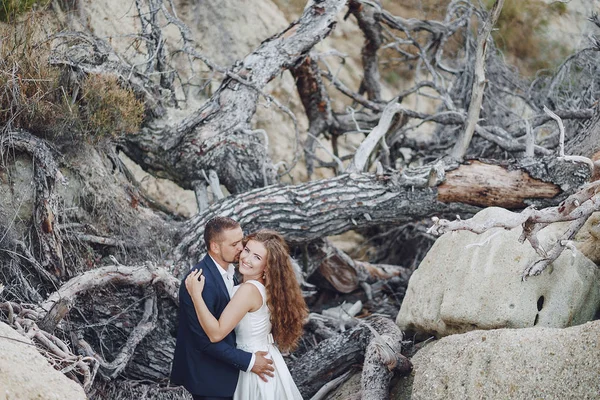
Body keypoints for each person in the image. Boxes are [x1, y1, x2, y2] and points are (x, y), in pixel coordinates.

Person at [185, 229, 308, 400]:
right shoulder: (266, 287)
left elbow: (216, 333)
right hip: (265, 356)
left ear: (267, 267)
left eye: (257, 257)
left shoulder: (248, 290)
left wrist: (196, 295)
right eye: (247, 250)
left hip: (254, 363)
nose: (246, 259)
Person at [171, 217, 275, 400]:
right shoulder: (199, 282)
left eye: (241, 242)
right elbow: (204, 341)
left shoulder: (234, 273)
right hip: (209, 380)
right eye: (234, 244)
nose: (241, 249)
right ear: (215, 247)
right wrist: (249, 361)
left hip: (231, 376)